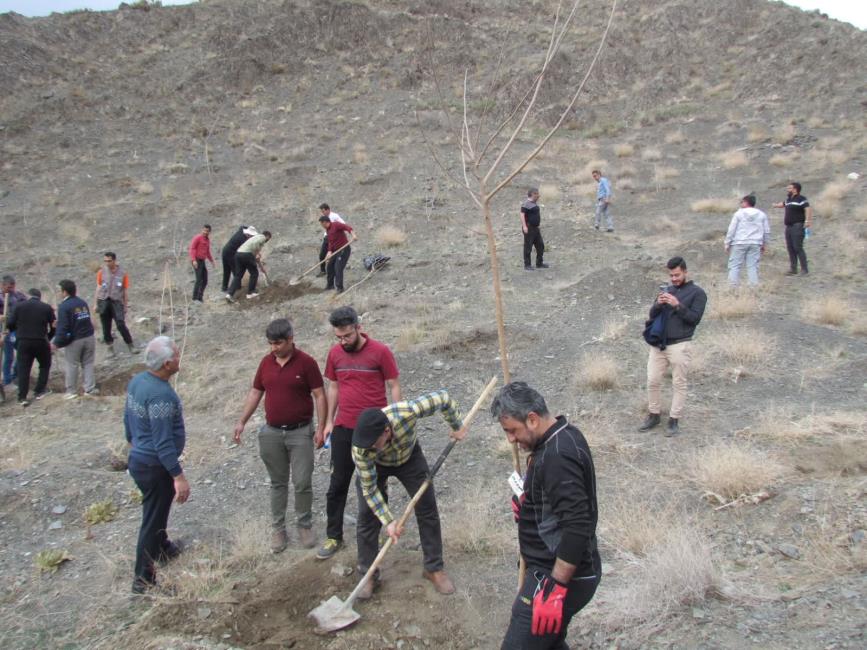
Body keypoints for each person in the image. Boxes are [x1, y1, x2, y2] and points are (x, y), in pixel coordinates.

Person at [492, 382, 600, 650]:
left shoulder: (557, 455)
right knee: (548, 643)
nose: (510, 440)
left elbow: (577, 526)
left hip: (559, 576)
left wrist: (555, 589)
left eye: (512, 431)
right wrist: (532, 506)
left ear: (532, 419)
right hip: (550, 570)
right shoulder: (562, 436)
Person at [350, 390, 468, 599]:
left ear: (386, 431)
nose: (367, 446)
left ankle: (433, 568)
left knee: (427, 508)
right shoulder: (362, 450)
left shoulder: (406, 412)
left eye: (371, 443)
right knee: (368, 516)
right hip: (377, 465)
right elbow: (369, 489)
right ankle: (368, 573)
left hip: (409, 458)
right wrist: (389, 521)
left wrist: (456, 425)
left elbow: (443, 398)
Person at [233, 318, 327, 553]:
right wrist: (242, 421)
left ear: (291, 339)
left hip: (301, 432)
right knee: (277, 482)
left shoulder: (307, 363)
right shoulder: (265, 363)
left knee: (303, 481)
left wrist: (322, 427)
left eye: (278, 343)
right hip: (271, 433)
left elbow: (320, 395)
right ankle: (278, 529)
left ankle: (304, 525)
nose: (273, 348)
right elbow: (256, 391)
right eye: (270, 343)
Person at [317, 306, 401, 561]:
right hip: (343, 427)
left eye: (347, 336)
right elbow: (333, 386)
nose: (343, 342)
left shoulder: (380, 352)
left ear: (358, 328)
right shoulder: (335, 354)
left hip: (373, 432)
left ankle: (374, 534)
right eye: (338, 337)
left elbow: (394, 384)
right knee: (337, 485)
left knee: (373, 485)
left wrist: (394, 420)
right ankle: (334, 536)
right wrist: (329, 421)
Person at [125, 336, 189, 594]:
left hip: (140, 460)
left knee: (157, 511)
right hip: (154, 465)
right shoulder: (161, 395)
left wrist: (133, 444)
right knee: (152, 521)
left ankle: (164, 549)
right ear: (166, 364)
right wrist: (178, 476)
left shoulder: (137, 381)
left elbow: (127, 419)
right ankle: (143, 582)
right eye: (175, 354)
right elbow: (163, 442)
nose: (178, 356)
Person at [639, 257, 707, 436]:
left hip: (680, 344)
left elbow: (695, 319)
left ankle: (673, 420)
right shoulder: (666, 290)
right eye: (671, 275)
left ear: (685, 272)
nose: (674, 278)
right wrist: (658, 304)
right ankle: (654, 415)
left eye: (677, 275)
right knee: (652, 380)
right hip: (659, 344)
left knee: (679, 383)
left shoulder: (697, 293)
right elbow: (652, 314)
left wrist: (677, 305)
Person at [7, 288, 55, 406]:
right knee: (44, 365)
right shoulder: (46, 307)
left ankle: (22, 397)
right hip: (40, 340)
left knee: (24, 368)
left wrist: (18, 333)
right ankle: (39, 390)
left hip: (23, 341)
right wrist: (48, 337)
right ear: (40, 297)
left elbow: (10, 324)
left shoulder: (19, 306)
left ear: (29, 296)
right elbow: (54, 326)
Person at [52, 279, 97, 398]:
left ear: (65, 292)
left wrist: (56, 342)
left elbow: (64, 326)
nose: (58, 293)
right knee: (88, 363)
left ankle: (71, 391)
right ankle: (90, 389)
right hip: (89, 337)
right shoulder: (82, 302)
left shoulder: (64, 306)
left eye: (59, 290)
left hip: (75, 340)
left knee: (72, 364)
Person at [94, 252, 139, 356]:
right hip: (104, 300)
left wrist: (125, 305)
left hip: (117, 302)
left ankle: (130, 345)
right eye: (105, 261)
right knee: (106, 326)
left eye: (109, 261)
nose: (107, 263)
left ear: (114, 260)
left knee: (120, 324)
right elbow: (98, 287)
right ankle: (110, 348)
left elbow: (124, 291)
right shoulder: (101, 272)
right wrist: (96, 303)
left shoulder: (122, 273)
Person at [725, 195, 769, 287]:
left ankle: (732, 286)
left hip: (739, 242)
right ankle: (753, 286)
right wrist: (765, 243)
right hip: (755, 243)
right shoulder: (761, 214)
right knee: (752, 266)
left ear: (746, 202)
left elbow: (731, 229)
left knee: (734, 265)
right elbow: (766, 230)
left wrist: (727, 242)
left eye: (742, 202)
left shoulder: (738, 214)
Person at [772, 181, 812, 276]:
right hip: (789, 227)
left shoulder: (801, 199)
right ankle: (793, 269)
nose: (788, 189)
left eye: (790, 188)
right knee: (790, 248)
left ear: (795, 189)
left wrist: (807, 221)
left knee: (798, 247)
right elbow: (783, 204)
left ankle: (804, 270)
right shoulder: (789, 200)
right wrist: (775, 205)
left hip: (798, 226)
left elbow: (808, 209)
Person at [226, 230, 271, 301]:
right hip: (246, 254)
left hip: (238, 254)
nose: (267, 240)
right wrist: (256, 253)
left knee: (238, 275)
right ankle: (250, 293)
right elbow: (256, 245)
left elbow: (254, 247)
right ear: (267, 236)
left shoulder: (255, 237)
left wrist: (256, 255)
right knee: (254, 273)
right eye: (268, 239)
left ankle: (229, 294)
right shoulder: (262, 237)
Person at [1, 275, 28, 388]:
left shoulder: (19, 296)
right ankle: (7, 380)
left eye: (12, 287)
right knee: (8, 355)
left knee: (22, 352)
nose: (10, 289)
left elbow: (27, 307)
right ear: (2, 286)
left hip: (17, 328)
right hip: (4, 329)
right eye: (8, 287)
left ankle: (15, 375)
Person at [318, 215, 356, 293]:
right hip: (335, 251)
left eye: (321, 224)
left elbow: (347, 227)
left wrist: (353, 235)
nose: (321, 226)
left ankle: (340, 288)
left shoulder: (336, 225)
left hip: (343, 250)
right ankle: (330, 285)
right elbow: (331, 242)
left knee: (338, 268)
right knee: (329, 267)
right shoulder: (328, 230)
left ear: (325, 222)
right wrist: (329, 251)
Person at [221, 225, 256, 293]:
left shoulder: (241, 231)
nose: (251, 237)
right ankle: (237, 287)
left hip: (225, 251)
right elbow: (245, 251)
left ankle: (224, 287)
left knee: (226, 270)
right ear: (248, 234)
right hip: (231, 254)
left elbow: (243, 226)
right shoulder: (242, 239)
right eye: (251, 236)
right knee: (236, 271)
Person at [521, 188, 547, 271]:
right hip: (529, 228)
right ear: (532, 194)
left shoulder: (534, 203)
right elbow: (522, 215)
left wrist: (537, 225)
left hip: (535, 228)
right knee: (528, 247)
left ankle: (539, 263)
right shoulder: (526, 204)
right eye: (537, 194)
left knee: (540, 245)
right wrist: (524, 226)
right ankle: (527, 265)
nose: (538, 195)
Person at [317, 204, 346, 276]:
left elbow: (343, 224)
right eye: (322, 211)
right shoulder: (325, 218)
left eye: (323, 211)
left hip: (333, 239)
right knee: (322, 255)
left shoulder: (334, 216)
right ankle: (323, 271)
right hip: (326, 238)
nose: (322, 213)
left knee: (333, 257)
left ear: (328, 209)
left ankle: (334, 272)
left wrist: (335, 231)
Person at [188, 224, 215, 302]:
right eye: (204, 230)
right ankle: (195, 298)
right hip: (196, 260)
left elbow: (207, 252)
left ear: (209, 232)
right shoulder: (197, 238)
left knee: (205, 280)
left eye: (207, 231)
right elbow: (192, 248)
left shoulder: (207, 240)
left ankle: (200, 297)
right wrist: (193, 260)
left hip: (202, 261)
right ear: (202, 230)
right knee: (199, 279)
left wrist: (212, 261)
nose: (205, 232)